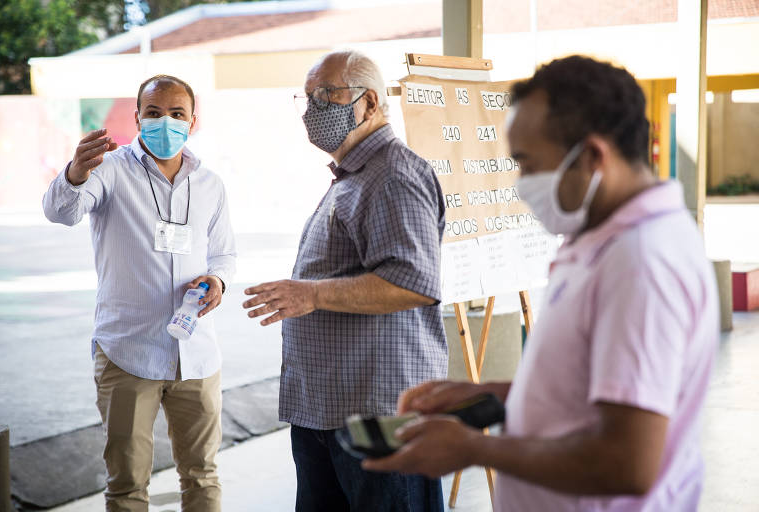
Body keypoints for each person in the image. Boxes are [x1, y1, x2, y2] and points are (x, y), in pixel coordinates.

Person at [363, 55, 719, 512]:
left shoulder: (642, 263)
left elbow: (627, 463)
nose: (522, 184)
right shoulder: (600, 236)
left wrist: (474, 449)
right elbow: (593, 393)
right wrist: (493, 395)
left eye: (529, 165)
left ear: (591, 157)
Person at [242, 50, 447, 511]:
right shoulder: (353, 177)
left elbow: (413, 282)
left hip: (377, 417)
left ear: (369, 103)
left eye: (326, 95)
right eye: (308, 98)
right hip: (330, 409)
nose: (313, 110)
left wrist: (310, 294)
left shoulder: (393, 174)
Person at [43, 74, 236, 511]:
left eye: (176, 114)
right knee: (127, 484)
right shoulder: (107, 169)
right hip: (128, 351)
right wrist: (75, 172)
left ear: (192, 121)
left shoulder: (210, 184)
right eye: (153, 113)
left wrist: (218, 281)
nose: (164, 122)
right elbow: (60, 212)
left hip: (196, 355)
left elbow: (224, 254)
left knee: (203, 477)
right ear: (137, 117)